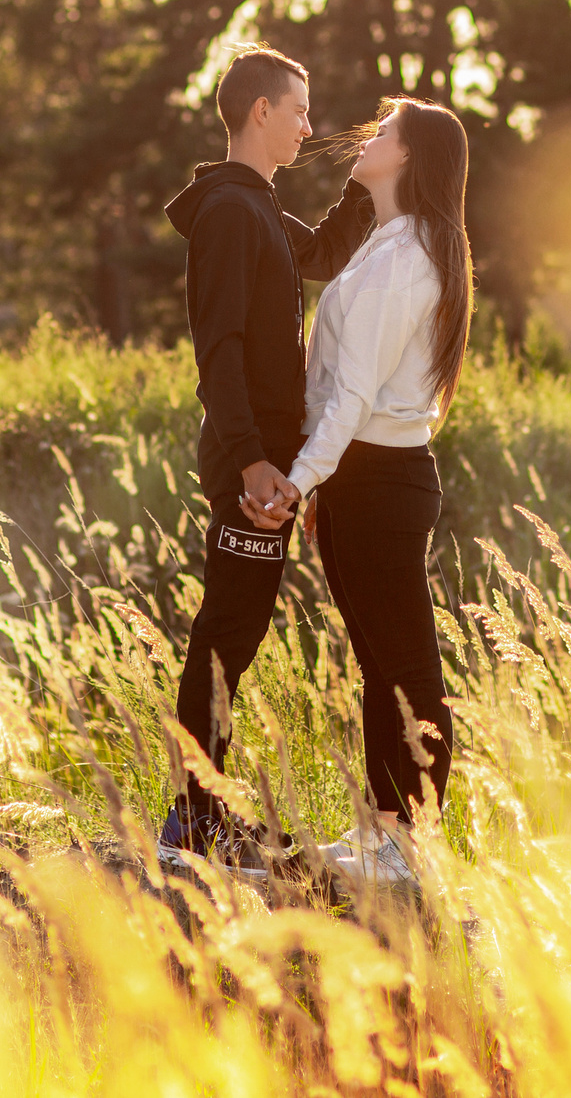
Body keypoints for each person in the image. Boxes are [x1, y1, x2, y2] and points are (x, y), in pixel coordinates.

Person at [157, 47, 375, 865]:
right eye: (300, 111)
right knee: (226, 631)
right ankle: (192, 820)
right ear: (260, 112)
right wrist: (251, 461)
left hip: (271, 460)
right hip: (246, 465)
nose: (308, 126)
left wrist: (361, 184)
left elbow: (320, 256)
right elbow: (218, 347)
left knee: (236, 632)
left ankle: (202, 812)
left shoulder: (255, 205)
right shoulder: (227, 213)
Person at [263, 97, 473, 889]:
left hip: (382, 479)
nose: (367, 137)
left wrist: (296, 479)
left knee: (409, 667)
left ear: (411, 158)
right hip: (359, 478)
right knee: (377, 663)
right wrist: (322, 484)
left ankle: (415, 849)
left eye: (385, 133)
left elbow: (352, 394)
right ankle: (385, 834)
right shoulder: (385, 243)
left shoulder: (408, 257)